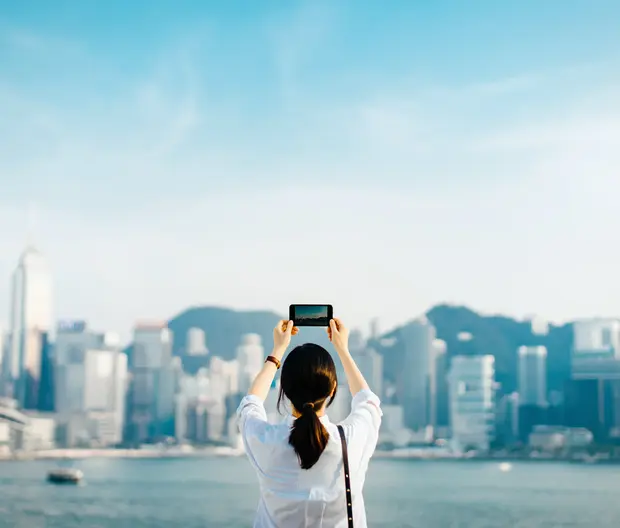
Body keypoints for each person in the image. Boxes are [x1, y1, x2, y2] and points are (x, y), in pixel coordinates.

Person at [236, 318, 383, 528]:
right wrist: (342, 349)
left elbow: (249, 405)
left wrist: (278, 350)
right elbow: (367, 401)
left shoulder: (265, 441)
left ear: (284, 390)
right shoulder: (351, 441)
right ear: (333, 389)